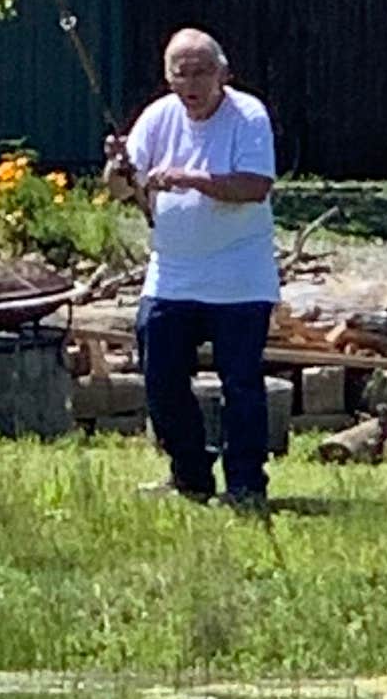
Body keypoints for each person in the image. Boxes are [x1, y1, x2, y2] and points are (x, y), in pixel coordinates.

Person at [107, 28, 280, 511]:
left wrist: (190, 179)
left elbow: (255, 186)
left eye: (201, 72)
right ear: (168, 78)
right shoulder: (158, 116)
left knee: (240, 384)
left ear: (223, 73)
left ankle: (246, 485)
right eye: (180, 74)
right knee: (160, 379)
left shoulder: (248, 115)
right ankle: (190, 475)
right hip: (172, 274)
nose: (191, 83)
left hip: (239, 277)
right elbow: (120, 191)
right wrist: (117, 169)